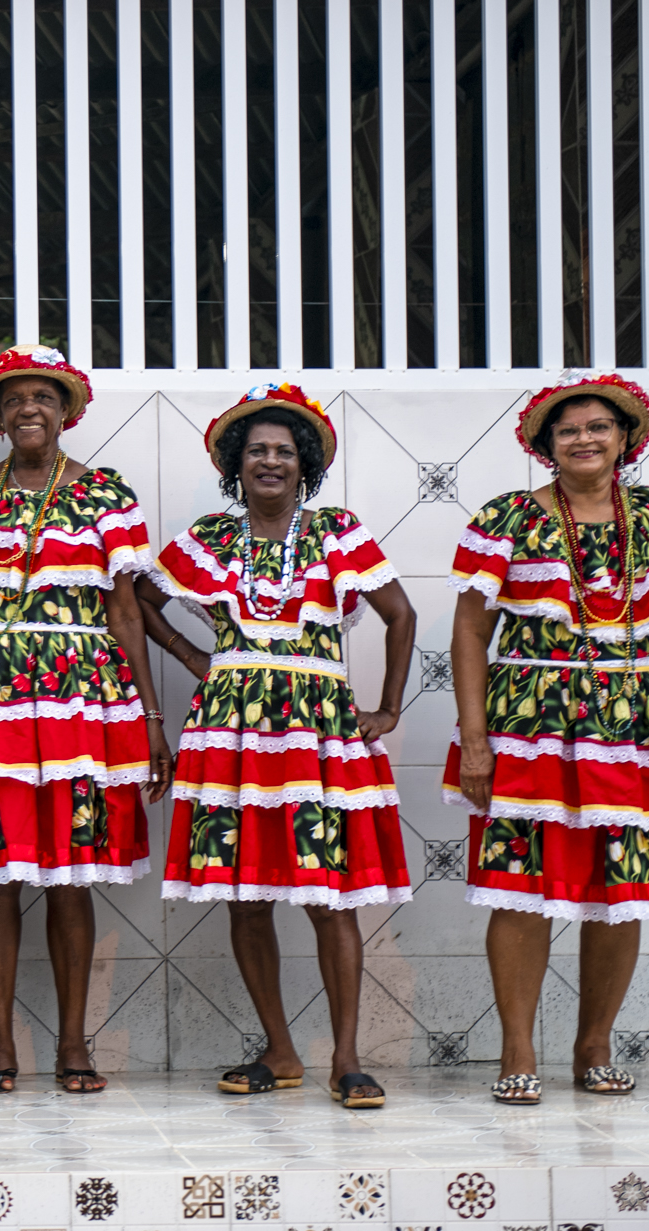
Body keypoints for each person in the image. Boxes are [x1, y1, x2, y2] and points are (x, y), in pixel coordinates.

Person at [448, 373, 649, 1104]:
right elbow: (470, 627)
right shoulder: (507, 519)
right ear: (545, 445)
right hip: (529, 721)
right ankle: (518, 1048)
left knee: (624, 886)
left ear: (625, 438)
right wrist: (472, 737)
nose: (584, 439)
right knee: (520, 887)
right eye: (568, 430)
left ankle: (594, 1044)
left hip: (637, 727)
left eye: (598, 427)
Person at [139, 384, 415, 1109]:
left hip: (318, 726)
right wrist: (194, 656)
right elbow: (139, 598)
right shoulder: (210, 537)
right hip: (230, 727)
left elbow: (400, 612)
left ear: (305, 464)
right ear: (237, 463)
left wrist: (387, 707)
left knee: (331, 897)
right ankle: (281, 1051)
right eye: (256, 450)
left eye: (283, 451)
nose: (270, 460)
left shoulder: (337, 532)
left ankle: (347, 1059)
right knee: (244, 895)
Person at [0, 344, 170, 1095]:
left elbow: (126, 613)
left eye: (44, 396)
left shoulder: (104, 497)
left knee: (72, 878)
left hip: (83, 704)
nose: (30, 407)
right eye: (15, 397)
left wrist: (151, 718)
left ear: (67, 411)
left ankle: (72, 1043)